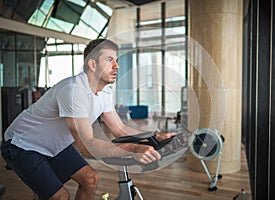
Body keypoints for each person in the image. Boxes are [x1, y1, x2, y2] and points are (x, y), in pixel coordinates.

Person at [1, 39, 174, 200]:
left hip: (54, 145)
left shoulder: (105, 92)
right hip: (23, 145)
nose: (117, 66)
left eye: (116, 60)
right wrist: (133, 149)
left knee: (90, 179)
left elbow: (120, 129)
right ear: (92, 64)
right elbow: (86, 145)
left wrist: (154, 136)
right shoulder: (74, 91)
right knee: (61, 196)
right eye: (110, 60)